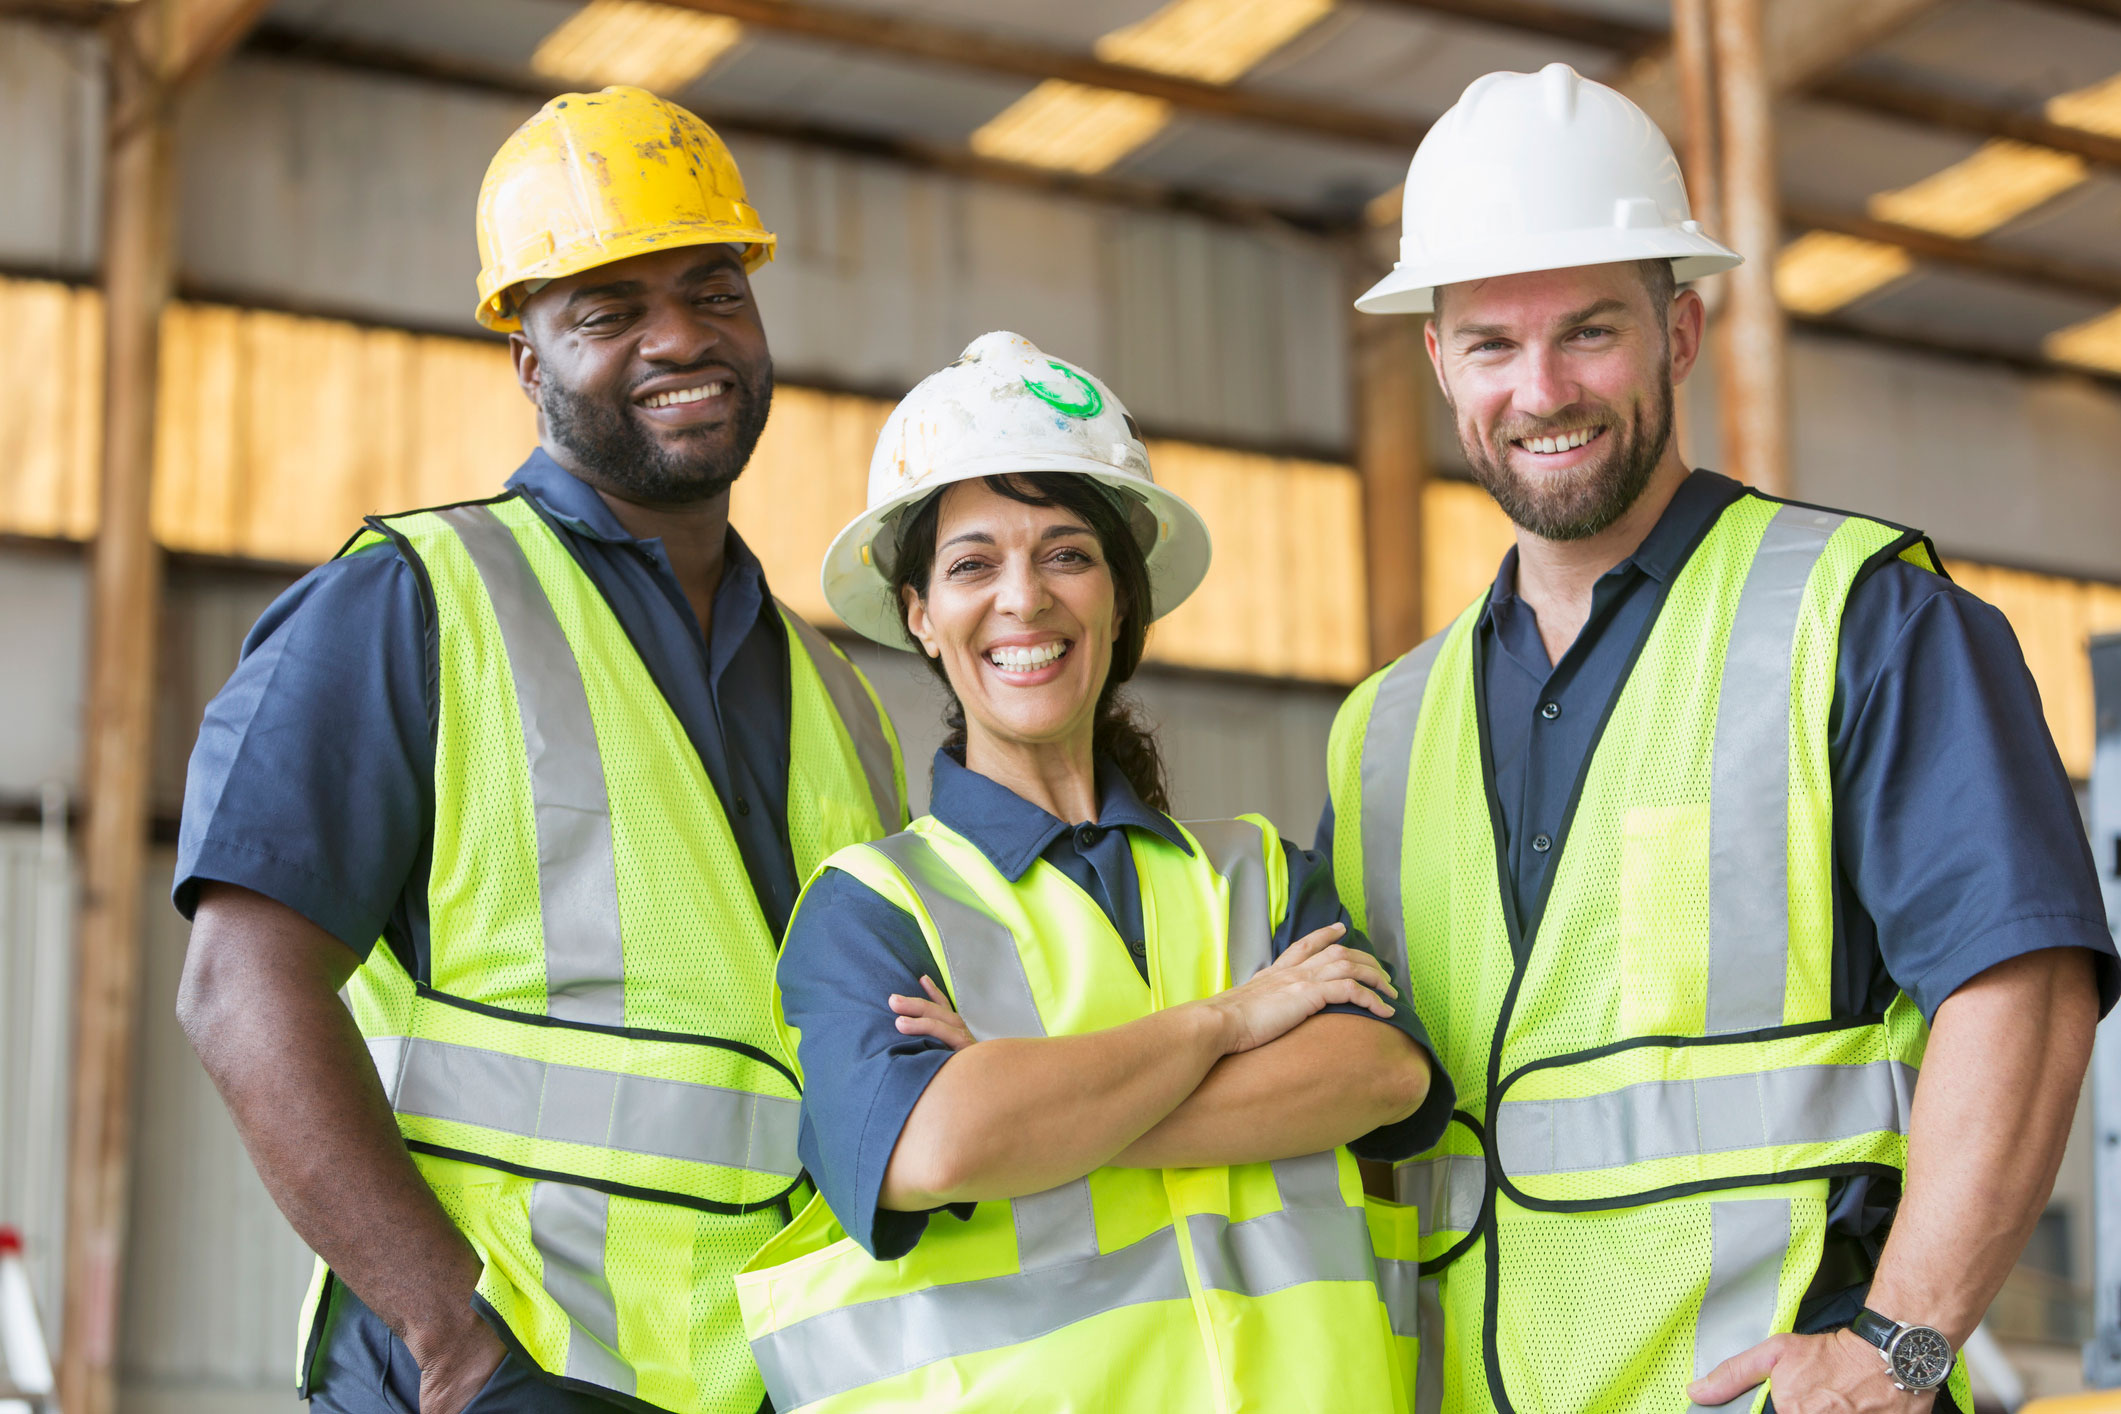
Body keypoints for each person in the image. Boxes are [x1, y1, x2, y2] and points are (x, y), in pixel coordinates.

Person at [1324, 62, 2118, 1414]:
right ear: (1436, 361)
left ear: (1681, 333)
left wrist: (1904, 1341)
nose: (1541, 390)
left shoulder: (1860, 619)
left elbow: (2023, 991)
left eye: (1589, 332)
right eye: (1493, 346)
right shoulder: (1379, 729)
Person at [172, 86, 906, 1414]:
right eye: (609, 312)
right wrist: (452, 1337)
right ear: (529, 358)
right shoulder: (413, 602)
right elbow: (240, 989)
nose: (680, 337)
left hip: (773, 1378)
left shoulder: (839, 694)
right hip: (504, 1373)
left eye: (713, 290)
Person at [730, 331, 1453, 1411]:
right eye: (973, 563)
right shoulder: (871, 910)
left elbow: (1382, 1077)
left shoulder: (1253, 870)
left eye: (1067, 552)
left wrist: (1043, 1106)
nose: (1024, 600)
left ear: (1123, 596)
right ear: (922, 615)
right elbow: (935, 1145)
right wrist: (1226, 1025)